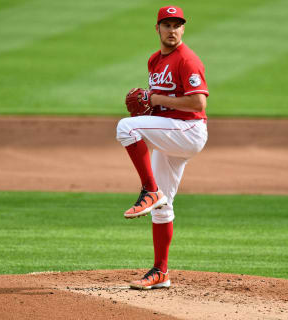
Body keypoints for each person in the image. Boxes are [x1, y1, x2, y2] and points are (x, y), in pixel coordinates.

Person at [116, 5, 209, 290]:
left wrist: (154, 100)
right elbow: (160, 106)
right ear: (157, 28)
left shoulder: (188, 60)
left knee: (126, 128)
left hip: (189, 131)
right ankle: (161, 272)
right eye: (166, 25)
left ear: (183, 28)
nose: (172, 30)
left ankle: (149, 188)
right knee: (162, 208)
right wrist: (153, 106)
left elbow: (198, 103)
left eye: (177, 25)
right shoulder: (154, 61)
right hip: (171, 135)